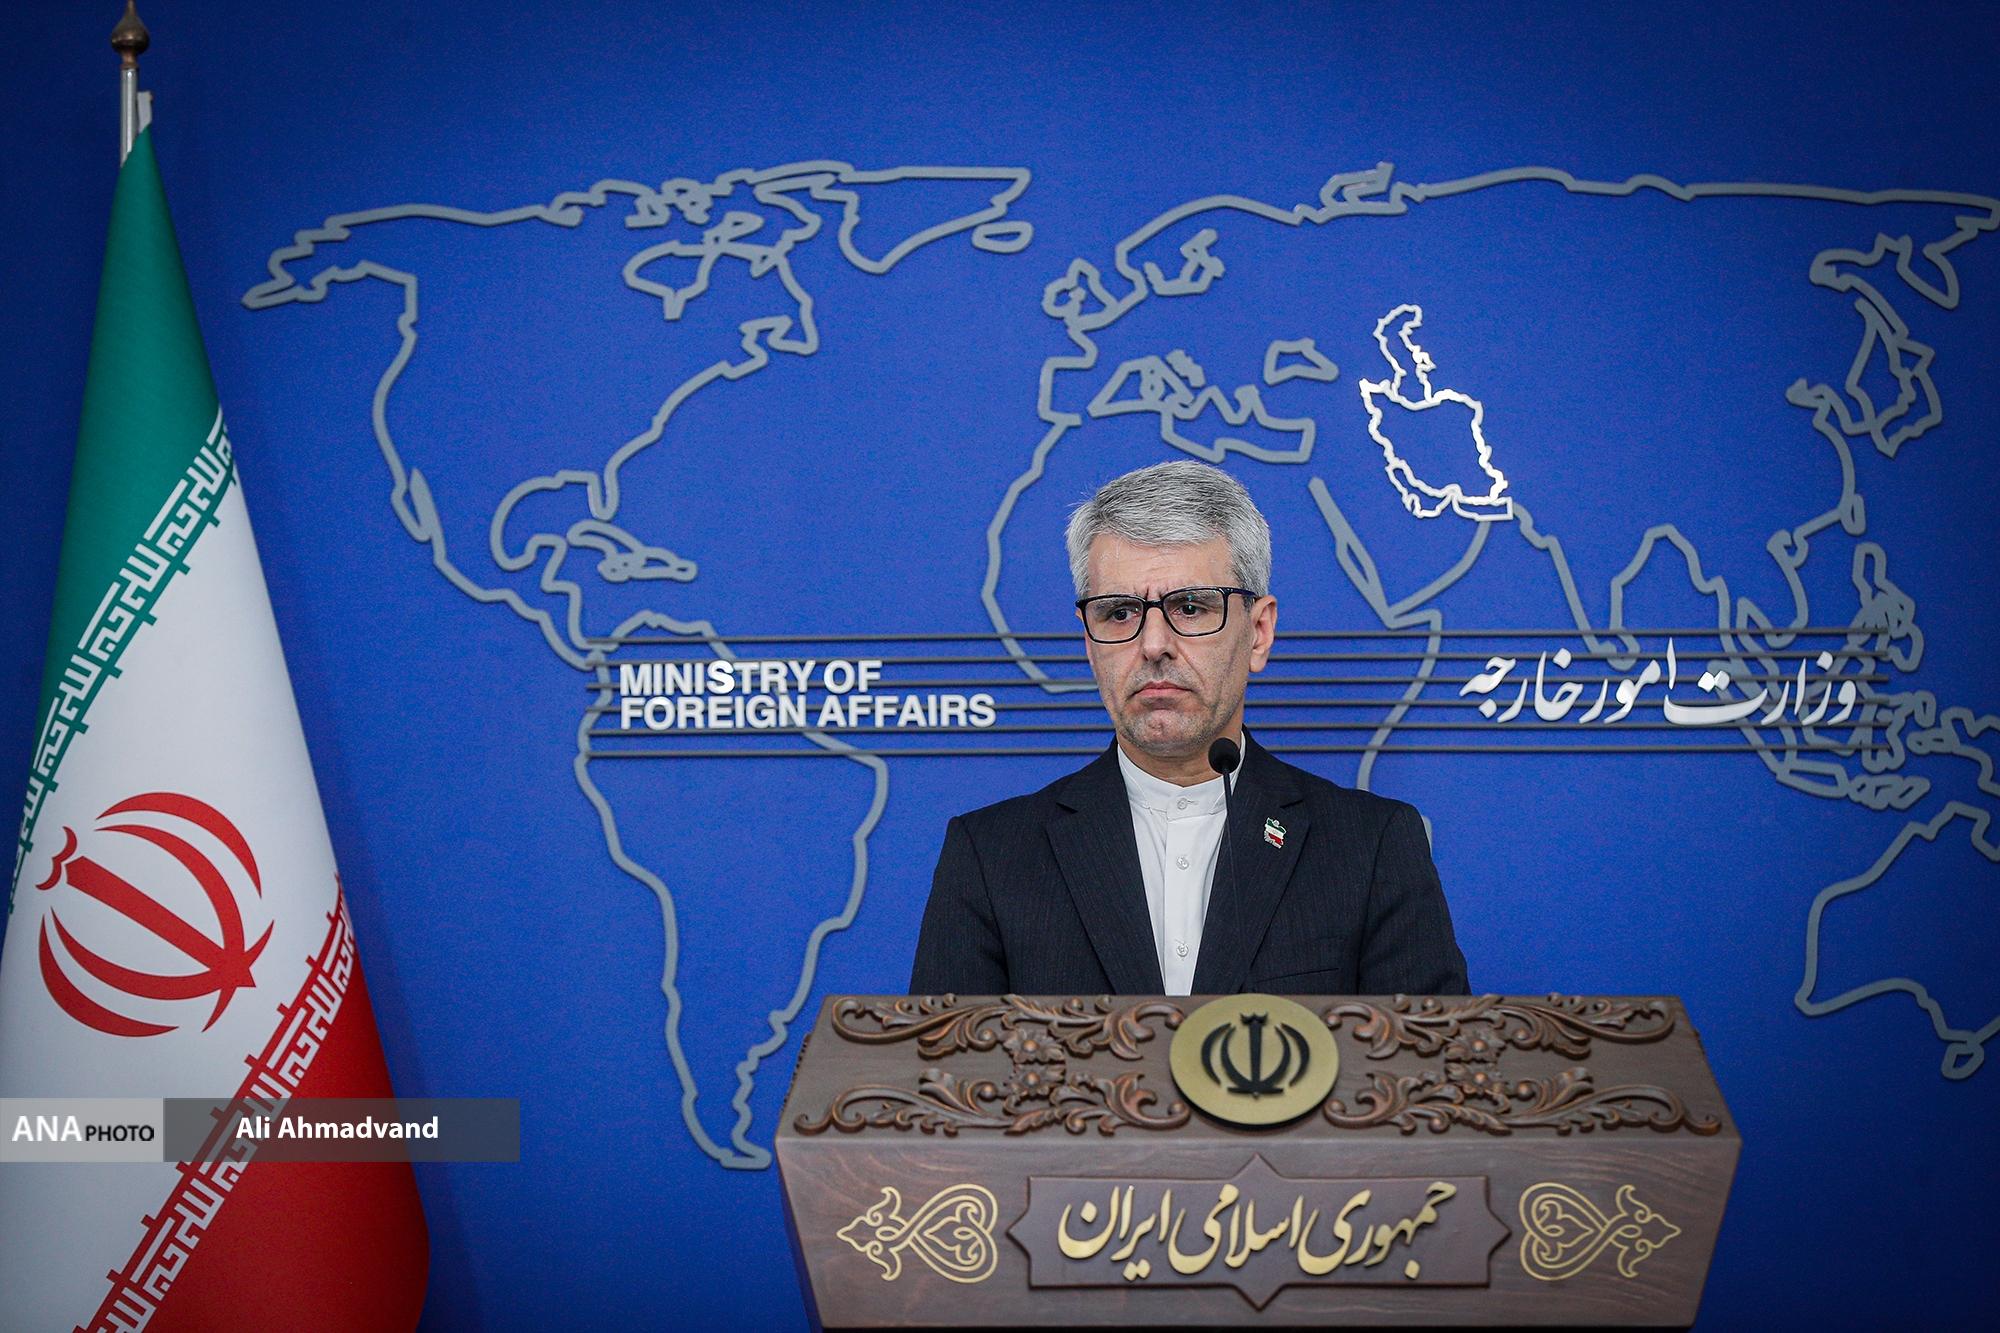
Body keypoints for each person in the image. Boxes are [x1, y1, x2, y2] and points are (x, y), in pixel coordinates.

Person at [910, 459, 1468, 997]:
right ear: (1088, 640)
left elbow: (1427, 1059)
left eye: (1192, 607)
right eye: (1119, 613)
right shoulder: (989, 858)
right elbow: (944, 1061)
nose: (1153, 644)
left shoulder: (1372, 848)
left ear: (1259, 632)